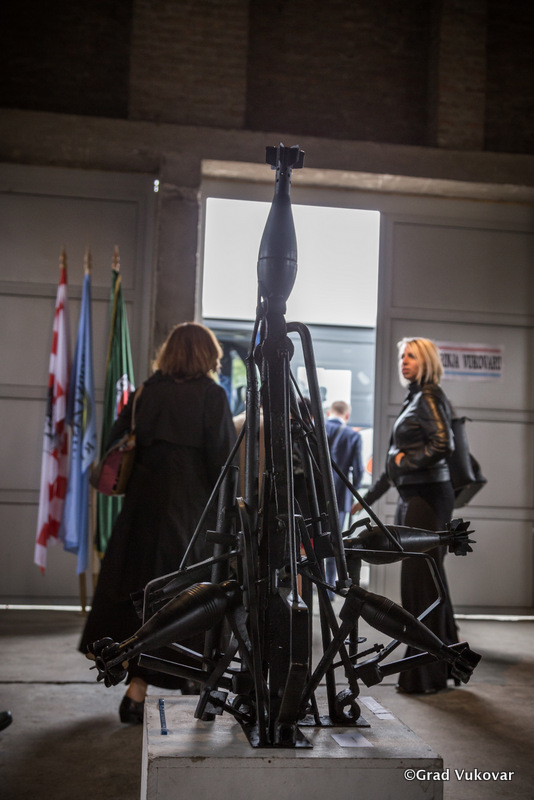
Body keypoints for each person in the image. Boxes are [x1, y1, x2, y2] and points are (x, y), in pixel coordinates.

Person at [79, 322, 236, 723]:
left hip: (141, 514)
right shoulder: (212, 395)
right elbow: (222, 463)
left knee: (140, 597)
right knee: (188, 599)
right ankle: (191, 683)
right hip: (190, 515)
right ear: (207, 355)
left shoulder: (145, 392)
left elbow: (115, 444)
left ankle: (136, 692)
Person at [351, 337, 458, 694]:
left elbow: (443, 444)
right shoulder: (415, 397)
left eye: (411, 356)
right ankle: (445, 663)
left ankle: (425, 674)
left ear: (426, 360)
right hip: (415, 495)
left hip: (427, 497)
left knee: (420, 584)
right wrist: (367, 498)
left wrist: (406, 461)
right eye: (402, 357)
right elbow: (391, 463)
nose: (404, 361)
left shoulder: (428, 396)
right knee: (428, 581)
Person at [325, 401, 363, 594]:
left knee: (310, 539)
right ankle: (330, 587)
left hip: (313, 494)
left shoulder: (315, 428)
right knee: (335, 541)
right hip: (339, 497)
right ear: (347, 416)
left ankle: (309, 584)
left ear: (328, 413)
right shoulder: (353, 435)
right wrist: (353, 492)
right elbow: (358, 471)